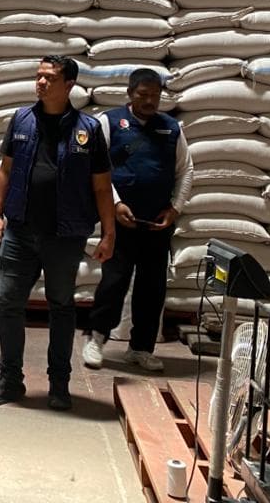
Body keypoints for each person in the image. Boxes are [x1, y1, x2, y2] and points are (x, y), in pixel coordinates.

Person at [0, 55, 115, 412]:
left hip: (64, 236)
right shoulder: (22, 119)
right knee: (8, 303)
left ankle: (59, 383)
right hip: (20, 231)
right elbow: (5, 170)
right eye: (38, 76)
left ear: (69, 84)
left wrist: (108, 234)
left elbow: (102, 186)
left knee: (61, 307)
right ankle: (10, 378)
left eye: (49, 78)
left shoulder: (88, 129)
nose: (40, 82)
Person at [83, 69, 194, 373]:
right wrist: (116, 204)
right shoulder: (110, 122)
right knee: (114, 281)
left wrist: (174, 208)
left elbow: (185, 170)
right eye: (143, 95)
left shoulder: (171, 128)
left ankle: (141, 348)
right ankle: (96, 338)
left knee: (152, 287)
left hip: (157, 223)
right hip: (120, 221)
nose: (149, 101)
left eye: (155, 95)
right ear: (130, 93)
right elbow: (97, 168)